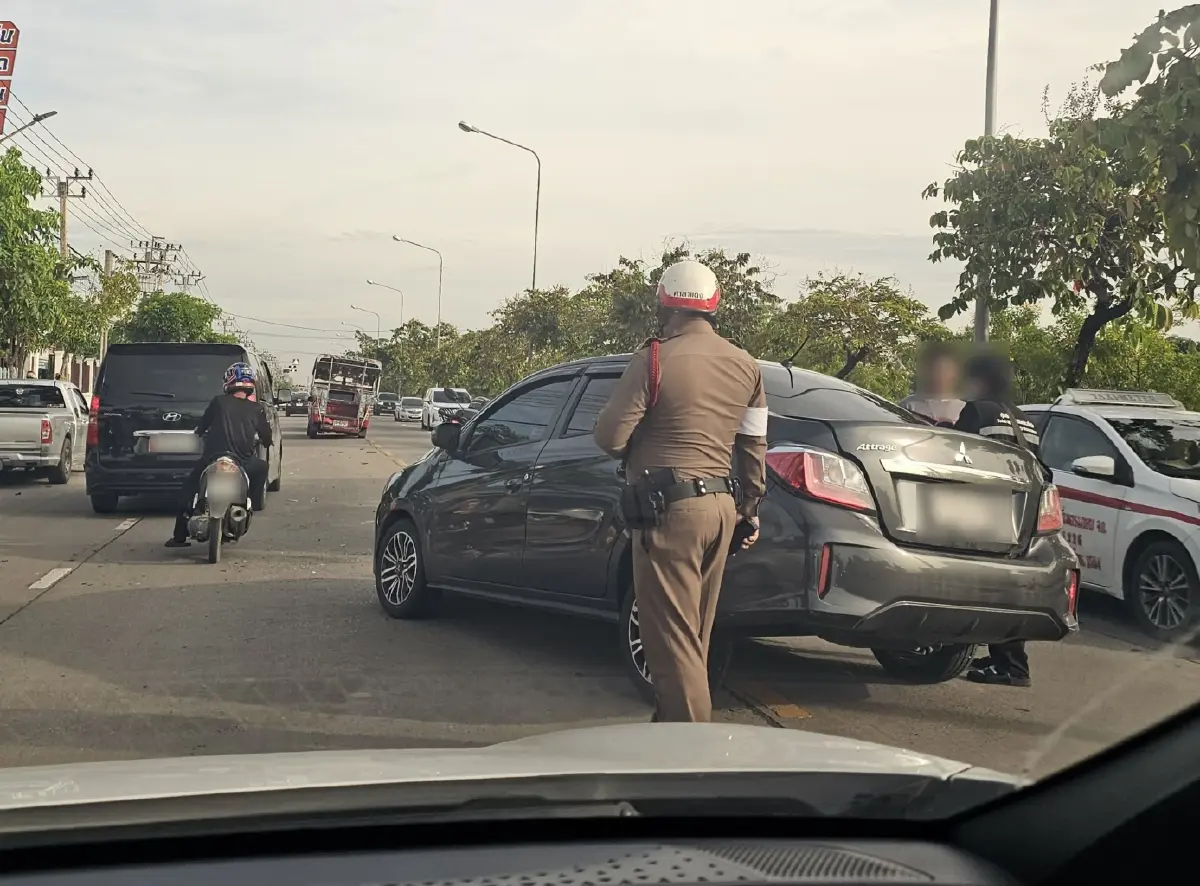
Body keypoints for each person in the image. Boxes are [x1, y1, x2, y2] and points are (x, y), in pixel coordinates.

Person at [594, 259, 768, 723]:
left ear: (663, 302)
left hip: (668, 514)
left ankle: (692, 760)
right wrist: (750, 510)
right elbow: (754, 444)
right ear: (713, 304)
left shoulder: (654, 358)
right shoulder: (746, 365)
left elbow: (609, 438)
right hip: (721, 509)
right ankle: (666, 735)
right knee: (693, 640)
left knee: (669, 642)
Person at [954, 350, 1042, 688]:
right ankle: (1008, 659)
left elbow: (955, 455)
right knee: (1008, 589)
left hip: (985, 510)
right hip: (1022, 513)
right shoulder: (1024, 419)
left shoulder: (977, 411)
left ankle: (1011, 668)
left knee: (982, 587)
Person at [165, 362, 273, 548]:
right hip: (243, 461)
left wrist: (199, 432)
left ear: (229, 381)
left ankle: (179, 536)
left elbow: (202, 426)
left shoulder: (218, 402)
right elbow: (266, 436)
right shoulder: (256, 409)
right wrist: (266, 441)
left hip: (213, 458)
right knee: (263, 467)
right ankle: (250, 504)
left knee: (188, 492)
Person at [899, 341, 965, 427]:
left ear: (955, 372)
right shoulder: (909, 405)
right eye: (935, 369)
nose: (939, 375)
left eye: (945, 370)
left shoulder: (964, 409)